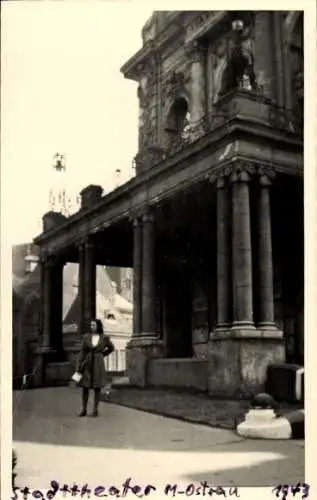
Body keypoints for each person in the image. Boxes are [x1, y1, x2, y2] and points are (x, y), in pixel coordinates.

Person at [76, 318, 114, 417]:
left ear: (98, 326)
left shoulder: (104, 338)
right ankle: (84, 409)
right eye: (91, 325)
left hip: (98, 363)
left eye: (93, 325)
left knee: (97, 387)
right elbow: (83, 351)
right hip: (87, 362)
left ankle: (95, 410)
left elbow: (111, 348)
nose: (91, 327)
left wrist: (102, 355)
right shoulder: (86, 337)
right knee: (85, 386)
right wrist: (80, 363)